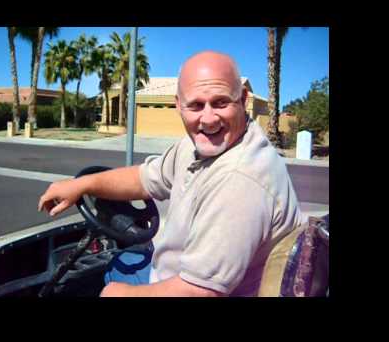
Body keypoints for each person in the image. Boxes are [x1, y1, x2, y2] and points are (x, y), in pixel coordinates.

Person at [38, 51, 304, 297]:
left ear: (243, 100)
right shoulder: (199, 145)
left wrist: (119, 294)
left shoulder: (240, 179)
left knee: (108, 278)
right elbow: (144, 178)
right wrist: (84, 185)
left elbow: (200, 292)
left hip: (197, 287)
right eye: (196, 105)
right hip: (179, 272)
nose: (209, 118)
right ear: (179, 105)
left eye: (221, 102)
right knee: (121, 261)